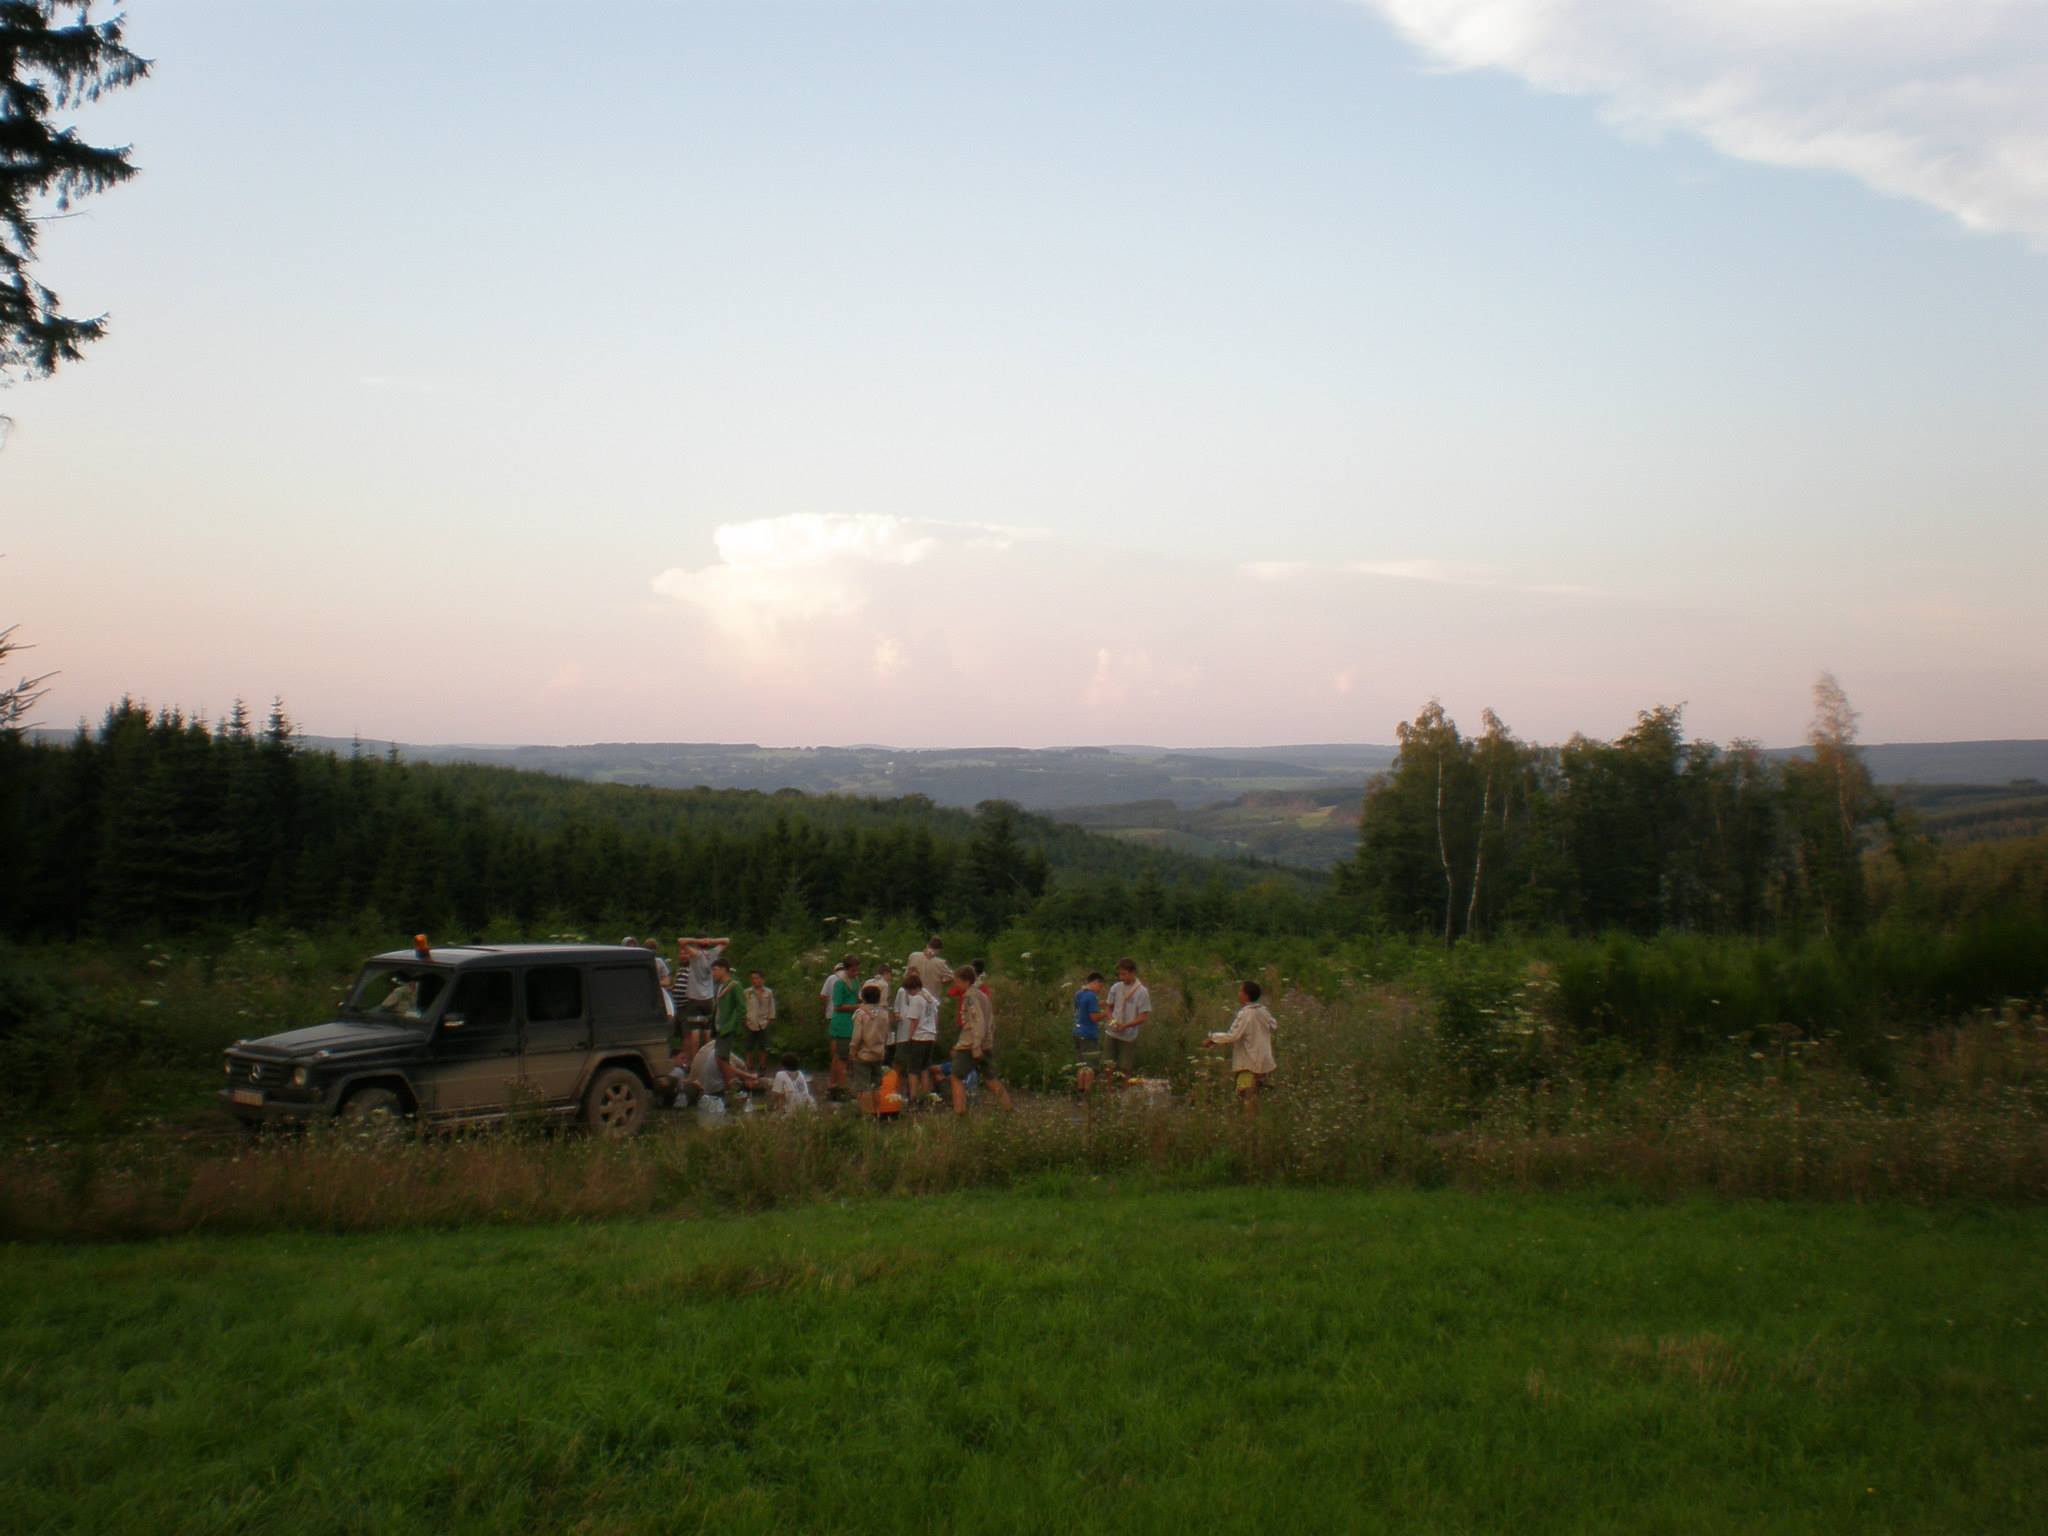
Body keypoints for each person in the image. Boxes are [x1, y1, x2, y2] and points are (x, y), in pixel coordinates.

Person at [947, 964, 1012, 1116]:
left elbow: (978, 1022)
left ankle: (960, 1113)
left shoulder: (970, 997)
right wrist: (987, 1042)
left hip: (970, 1045)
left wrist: (976, 1045)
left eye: (957, 981)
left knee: (956, 1077)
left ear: (966, 981)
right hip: (985, 1043)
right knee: (990, 1078)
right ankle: (1008, 1108)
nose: (956, 984)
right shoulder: (983, 995)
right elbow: (991, 1021)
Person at [1205, 980, 1278, 1115]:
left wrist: (1213, 1038)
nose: (1238, 994)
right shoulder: (1263, 1011)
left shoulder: (1246, 1014)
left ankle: (1249, 1125)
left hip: (1249, 1063)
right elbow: (1274, 1025)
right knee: (1260, 1096)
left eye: (1240, 991)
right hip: (1265, 1062)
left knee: (1247, 1098)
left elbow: (1233, 1035)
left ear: (1246, 995)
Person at [673, 935, 730, 1054]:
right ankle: (709, 1056)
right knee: (707, 1029)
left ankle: (695, 1059)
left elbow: (681, 941)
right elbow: (726, 941)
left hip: (694, 997)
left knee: (695, 1030)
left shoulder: (695, 954)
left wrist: (697, 940)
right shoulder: (713, 954)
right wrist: (712, 941)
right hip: (708, 997)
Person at [894, 971, 938, 1100]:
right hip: (930, 1035)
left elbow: (914, 1020)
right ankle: (925, 1095)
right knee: (924, 1068)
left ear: (911, 988)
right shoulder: (929, 997)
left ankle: (913, 1097)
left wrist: (909, 1037)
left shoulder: (916, 999)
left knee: (913, 1069)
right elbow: (936, 1016)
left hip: (919, 1036)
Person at [1105, 958, 1151, 1079]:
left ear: (1133, 972)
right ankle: (1109, 1092)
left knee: (1125, 1067)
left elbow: (1143, 1016)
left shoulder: (1142, 992)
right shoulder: (1115, 987)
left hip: (1128, 1035)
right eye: (1119, 974)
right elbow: (1108, 1007)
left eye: (1124, 974)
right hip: (1112, 1032)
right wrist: (1111, 1020)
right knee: (1108, 1065)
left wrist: (1126, 1025)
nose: (1121, 977)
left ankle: (1125, 1094)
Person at [850, 983, 891, 1117]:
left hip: (863, 1054)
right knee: (877, 1086)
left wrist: (853, 1050)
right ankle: (878, 1112)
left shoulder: (860, 1014)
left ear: (863, 997)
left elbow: (857, 1036)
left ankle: (867, 1115)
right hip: (879, 1053)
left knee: (863, 1086)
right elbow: (886, 1034)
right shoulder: (884, 1014)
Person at [826, 954, 863, 1099]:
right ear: (847, 969)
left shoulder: (855, 981)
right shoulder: (839, 983)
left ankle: (833, 1085)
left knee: (841, 1056)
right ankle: (841, 1087)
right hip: (842, 1023)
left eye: (857, 970)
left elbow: (858, 995)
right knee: (842, 1056)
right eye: (853, 970)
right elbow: (838, 1005)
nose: (855, 973)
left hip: (851, 1021)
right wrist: (857, 1006)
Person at [709, 957, 749, 1072]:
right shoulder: (720, 986)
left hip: (727, 1026)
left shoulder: (734, 985)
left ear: (724, 970)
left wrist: (733, 1024)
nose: (713, 973)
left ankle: (731, 1082)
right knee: (720, 1057)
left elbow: (742, 1008)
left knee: (721, 1058)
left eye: (715, 970)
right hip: (719, 1027)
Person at [1071, 971, 1107, 1094]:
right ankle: (1088, 1094)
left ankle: (1080, 1093)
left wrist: (1099, 1004)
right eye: (1101, 986)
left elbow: (1082, 1009)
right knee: (1091, 1067)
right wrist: (1106, 1012)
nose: (1100, 990)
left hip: (1077, 1032)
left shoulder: (1079, 993)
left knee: (1082, 1066)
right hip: (1088, 1035)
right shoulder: (1091, 996)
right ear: (1096, 982)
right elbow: (1094, 1017)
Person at [744, 969, 777, 1074]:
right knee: (748, 1046)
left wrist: (770, 1019)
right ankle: (749, 1066)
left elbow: (771, 1006)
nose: (754, 980)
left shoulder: (768, 992)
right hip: (750, 1022)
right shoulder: (747, 992)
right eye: (753, 978)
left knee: (763, 1046)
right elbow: (743, 1007)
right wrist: (744, 1020)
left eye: (757, 978)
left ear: (762, 979)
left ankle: (762, 1066)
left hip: (763, 1022)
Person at [905, 936, 950, 1004]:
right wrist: (943, 980)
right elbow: (951, 977)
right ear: (938, 950)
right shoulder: (941, 963)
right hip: (931, 998)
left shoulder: (913, 956)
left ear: (928, 945)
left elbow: (906, 975)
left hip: (913, 995)